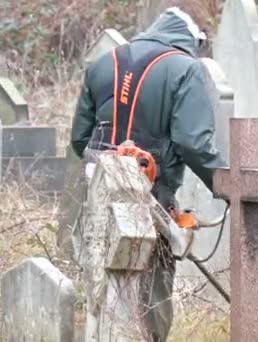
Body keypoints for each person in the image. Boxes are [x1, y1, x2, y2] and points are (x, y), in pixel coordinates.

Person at [70, 7, 225, 341]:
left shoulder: (102, 65)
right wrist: (226, 183)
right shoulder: (185, 69)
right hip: (152, 199)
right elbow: (193, 141)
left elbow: (80, 140)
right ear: (191, 41)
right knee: (150, 297)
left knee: (102, 291)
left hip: (99, 195)